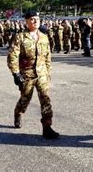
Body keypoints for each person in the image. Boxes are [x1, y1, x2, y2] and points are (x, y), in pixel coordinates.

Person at [7, 11, 60, 139]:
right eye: (32, 19)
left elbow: (47, 57)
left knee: (45, 99)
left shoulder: (44, 37)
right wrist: (15, 73)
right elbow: (12, 56)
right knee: (25, 99)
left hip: (42, 73)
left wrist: (48, 73)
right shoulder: (20, 37)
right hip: (27, 74)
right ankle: (18, 113)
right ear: (26, 22)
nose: (35, 21)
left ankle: (47, 127)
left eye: (37, 19)